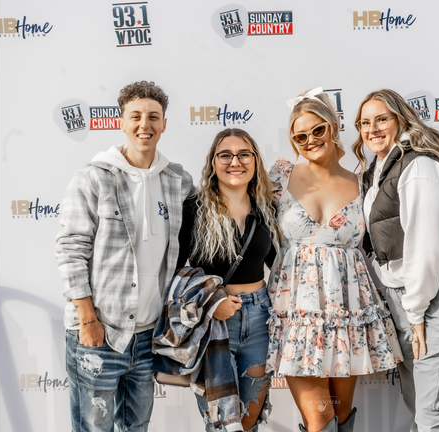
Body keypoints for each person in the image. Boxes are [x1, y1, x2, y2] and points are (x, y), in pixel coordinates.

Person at [56, 80, 195, 431]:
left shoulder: (177, 180)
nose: (144, 125)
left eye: (153, 117)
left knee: (137, 427)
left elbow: (216, 207)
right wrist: (87, 320)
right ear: (121, 122)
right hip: (99, 333)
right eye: (135, 116)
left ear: (164, 123)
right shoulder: (93, 178)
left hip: (148, 338)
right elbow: (71, 250)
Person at [266, 88, 403, 432]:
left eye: (318, 130)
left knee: (341, 417)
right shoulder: (279, 177)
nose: (310, 140)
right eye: (300, 136)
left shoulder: (364, 181)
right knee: (320, 417)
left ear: (333, 126)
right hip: (298, 314)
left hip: (347, 311)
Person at [353, 89, 439, 432]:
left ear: (401, 119)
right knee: (432, 412)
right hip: (410, 299)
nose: (372, 129)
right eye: (364, 123)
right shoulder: (380, 168)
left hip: (437, 296)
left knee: (438, 417)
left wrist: (414, 312)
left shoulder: (419, 167)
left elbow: (425, 250)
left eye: (381, 119)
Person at [177, 128, 280, 432]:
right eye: (225, 155)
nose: (235, 162)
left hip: (260, 318)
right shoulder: (194, 209)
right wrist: (211, 303)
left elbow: (279, 265)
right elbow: (175, 271)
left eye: (244, 154)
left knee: (248, 420)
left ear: (255, 161)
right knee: (221, 423)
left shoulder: (267, 208)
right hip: (213, 322)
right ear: (213, 162)